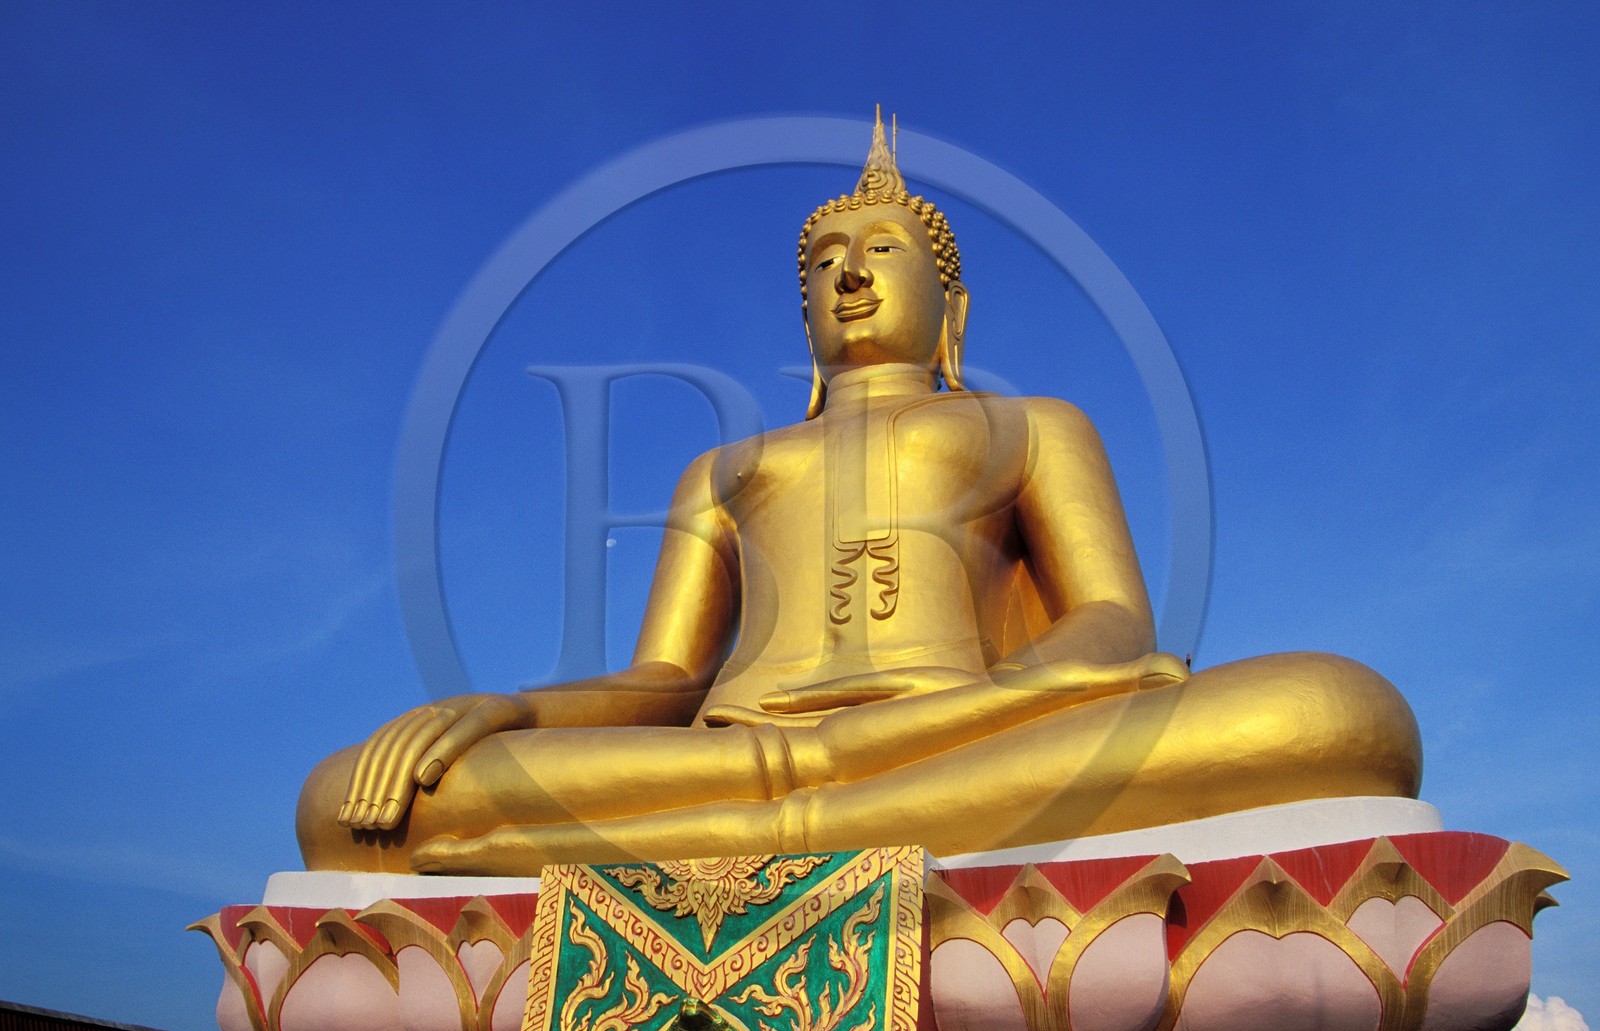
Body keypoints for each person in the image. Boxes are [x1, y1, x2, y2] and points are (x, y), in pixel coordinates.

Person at [297, 114, 1420, 875]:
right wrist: (511, 711)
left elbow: (1112, 625)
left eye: (882, 249)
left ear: (953, 308)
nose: (848, 270)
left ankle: (768, 830)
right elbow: (665, 678)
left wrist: (964, 715)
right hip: (741, 751)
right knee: (350, 796)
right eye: (826, 258)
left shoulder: (1030, 426)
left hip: (956, 735)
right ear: (803, 315)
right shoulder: (727, 469)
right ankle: (815, 818)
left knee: (1337, 713)